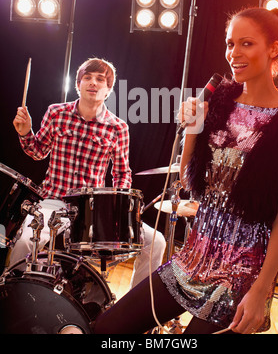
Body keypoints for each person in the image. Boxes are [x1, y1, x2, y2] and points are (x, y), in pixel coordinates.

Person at [93, 7, 278, 335]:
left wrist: (261, 290)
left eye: (246, 44)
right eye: (230, 44)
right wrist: (193, 127)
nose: (234, 53)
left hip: (240, 276)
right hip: (191, 260)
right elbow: (190, 182)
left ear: (273, 48)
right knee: (105, 330)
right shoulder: (218, 103)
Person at [10, 57, 166, 287]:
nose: (93, 83)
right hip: (53, 200)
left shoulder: (118, 127)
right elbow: (37, 151)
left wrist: (120, 209)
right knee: (24, 242)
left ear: (108, 89)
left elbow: (122, 173)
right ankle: (11, 294)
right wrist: (25, 132)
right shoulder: (56, 113)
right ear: (78, 84)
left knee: (156, 242)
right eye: (88, 78)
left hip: (91, 208)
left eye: (100, 79)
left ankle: (133, 308)